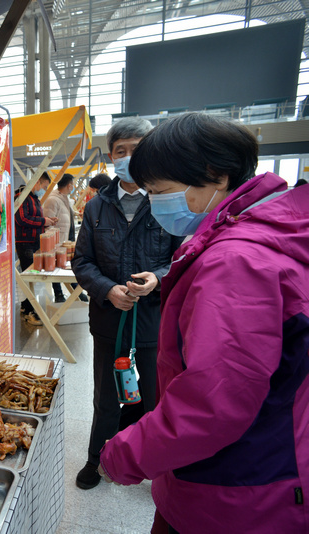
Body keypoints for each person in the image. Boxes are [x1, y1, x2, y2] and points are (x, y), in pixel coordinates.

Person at [100, 112, 309, 533]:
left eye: (161, 191)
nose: (157, 203)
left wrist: (123, 455)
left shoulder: (236, 261)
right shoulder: (273, 232)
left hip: (234, 491)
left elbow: (213, 403)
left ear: (214, 176)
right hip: (273, 463)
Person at [71, 117, 183, 491]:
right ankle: (96, 459)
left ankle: (142, 462)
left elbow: (184, 257)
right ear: (110, 156)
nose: (130, 157)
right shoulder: (96, 208)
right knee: (106, 398)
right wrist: (107, 289)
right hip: (108, 322)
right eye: (122, 151)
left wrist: (158, 279)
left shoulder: (168, 203)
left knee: (149, 399)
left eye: (138, 149)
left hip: (153, 323)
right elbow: (82, 261)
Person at [14, 172, 57, 325]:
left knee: (31, 278)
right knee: (30, 277)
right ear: (37, 182)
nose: (44, 190)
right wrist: (43, 221)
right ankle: (29, 312)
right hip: (25, 242)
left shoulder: (35, 199)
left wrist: (48, 221)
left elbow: (35, 219)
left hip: (34, 242)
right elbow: (22, 219)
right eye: (44, 186)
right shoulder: (23, 195)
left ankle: (26, 307)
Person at [44, 173, 87, 303]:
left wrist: (76, 213)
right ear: (69, 185)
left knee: (66, 266)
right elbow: (48, 223)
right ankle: (59, 294)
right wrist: (52, 243)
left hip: (67, 238)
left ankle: (75, 291)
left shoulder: (64, 198)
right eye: (72, 184)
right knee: (56, 267)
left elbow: (65, 211)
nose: (73, 187)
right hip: (57, 240)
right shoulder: (52, 199)